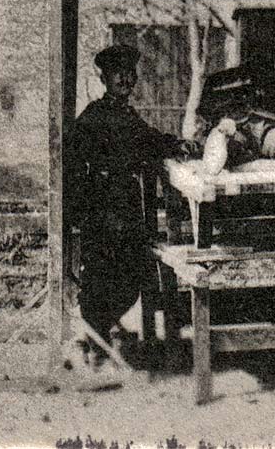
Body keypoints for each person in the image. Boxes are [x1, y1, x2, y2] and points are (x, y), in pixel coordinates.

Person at [68, 44, 197, 364]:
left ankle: (99, 337)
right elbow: (72, 162)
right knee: (99, 277)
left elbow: (149, 140)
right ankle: (94, 344)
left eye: (129, 73)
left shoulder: (127, 114)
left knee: (133, 274)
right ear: (105, 79)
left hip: (126, 203)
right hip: (102, 206)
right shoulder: (93, 116)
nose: (125, 79)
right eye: (118, 74)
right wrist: (83, 210)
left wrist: (177, 145)